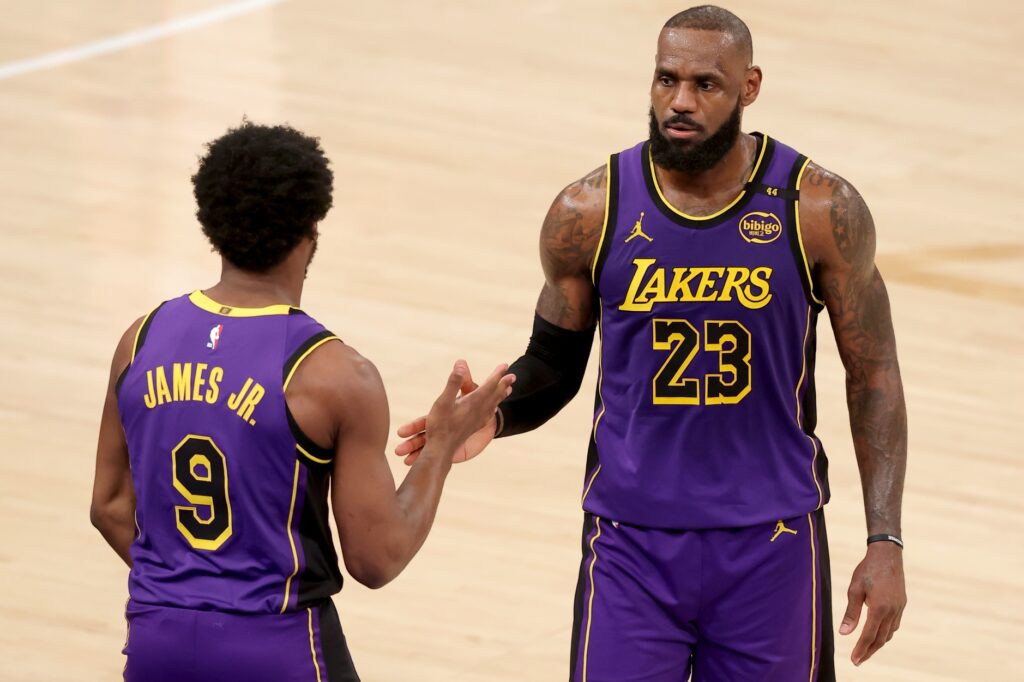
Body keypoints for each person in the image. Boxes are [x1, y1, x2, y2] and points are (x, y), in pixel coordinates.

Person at [396, 6, 907, 681]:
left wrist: (885, 539)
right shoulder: (589, 212)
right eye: (666, 80)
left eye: (706, 85)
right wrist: (493, 415)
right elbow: (554, 361)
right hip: (630, 543)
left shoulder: (818, 210)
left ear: (750, 87)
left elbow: (874, 377)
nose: (680, 102)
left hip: (770, 540)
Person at [89, 121, 515, 682]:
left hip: (157, 641)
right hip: (280, 646)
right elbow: (376, 558)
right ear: (312, 226)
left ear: (210, 220)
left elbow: (110, 505)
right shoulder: (336, 375)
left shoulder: (140, 340)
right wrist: (441, 444)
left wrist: (191, 592)